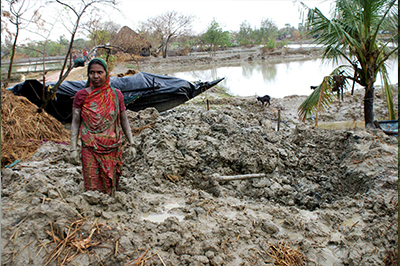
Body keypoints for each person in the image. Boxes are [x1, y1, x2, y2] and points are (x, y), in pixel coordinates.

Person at [69, 58, 135, 196]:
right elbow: (75, 122)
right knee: (92, 186)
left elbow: (124, 121)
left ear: (106, 74)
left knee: (111, 185)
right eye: (92, 72)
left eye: (99, 72)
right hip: (90, 146)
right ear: (88, 75)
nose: (96, 76)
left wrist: (132, 143)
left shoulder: (116, 95)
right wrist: (72, 149)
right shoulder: (81, 96)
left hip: (112, 147)